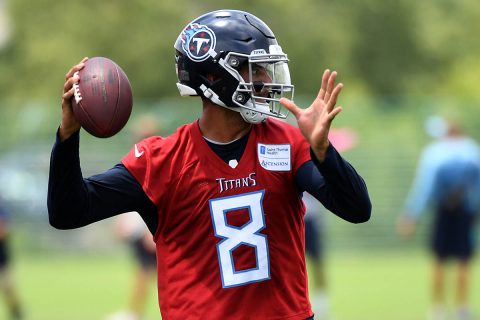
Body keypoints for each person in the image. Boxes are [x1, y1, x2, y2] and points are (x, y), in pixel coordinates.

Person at [48, 9, 371, 320]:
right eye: (254, 69)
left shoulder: (286, 142)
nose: (265, 80)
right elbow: (68, 212)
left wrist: (324, 152)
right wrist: (68, 136)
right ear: (215, 78)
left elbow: (357, 209)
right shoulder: (162, 161)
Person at [398, 116, 480, 320]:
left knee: (439, 259)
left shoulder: (434, 153)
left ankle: (438, 308)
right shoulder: (473, 151)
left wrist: (411, 214)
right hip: (466, 211)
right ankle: (462, 308)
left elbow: (424, 187)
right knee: (464, 259)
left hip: (443, 211)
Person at [0, 198, 23, 320]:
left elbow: (4, 230)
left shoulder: (2, 208)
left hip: (2, 255)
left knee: (7, 287)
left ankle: (17, 312)